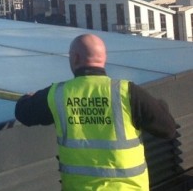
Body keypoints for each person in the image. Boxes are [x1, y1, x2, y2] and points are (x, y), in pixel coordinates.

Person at [15, 33, 177, 190]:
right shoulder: (127, 92)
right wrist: (160, 105)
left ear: (75, 58)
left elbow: (23, 112)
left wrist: (28, 97)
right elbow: (168, 129)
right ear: (103, 58)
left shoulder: (58, 94)